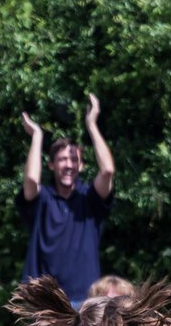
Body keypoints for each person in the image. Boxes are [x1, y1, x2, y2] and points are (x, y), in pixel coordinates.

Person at [18, 94, 115, 306]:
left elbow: (107, 170)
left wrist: (91, 124)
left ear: (81, 166)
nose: (68, 164)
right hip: (46, 301)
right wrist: (37, 136)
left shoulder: (90, 199)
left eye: (74, 159)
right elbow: (31, 178)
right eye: (62, 159)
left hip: (86, 298)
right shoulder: (42, 198)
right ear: (51, 165)